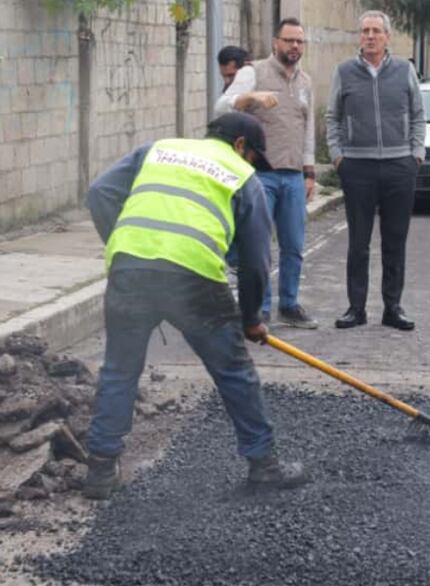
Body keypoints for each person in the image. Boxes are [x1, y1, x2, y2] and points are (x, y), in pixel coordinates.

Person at [82, 113, 308, 500]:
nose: (252, 164)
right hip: (194, 275)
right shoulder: (240, 174)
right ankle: (264, 466)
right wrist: (251, 319)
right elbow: (256, 262)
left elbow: (99, 192)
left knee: (120, 370)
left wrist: (124, 244)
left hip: (130, 268)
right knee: (234, 371)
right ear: (241, 145)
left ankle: (101, 471)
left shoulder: (159, 149)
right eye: (254, 155)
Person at [325, 10, 425, 331]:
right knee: (358, 242)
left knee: (395, 240)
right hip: (358, 167)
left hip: (399, 166)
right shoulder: (344, 72)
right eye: (365, 31)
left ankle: (392, 307)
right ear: (360, 37)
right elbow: (332, 118)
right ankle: (356, 308)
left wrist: (416, 154)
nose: (370, 36)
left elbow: (419, 115)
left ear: (387, 37)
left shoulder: (404, 70)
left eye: (376, 31)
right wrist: (339, 157)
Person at [216, 19, 318, 329]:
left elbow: (308, 127)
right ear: (275, 42)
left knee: (293, 245)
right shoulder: (253, 72)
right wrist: (249, 98)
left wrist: (309, 170)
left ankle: (289, 304)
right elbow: (221, 107)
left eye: (299, 42)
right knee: (257, 246)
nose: (294, 47)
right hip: (259, 176)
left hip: (292, 176)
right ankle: (259, 308)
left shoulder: (305, 82)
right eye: (289, 40)